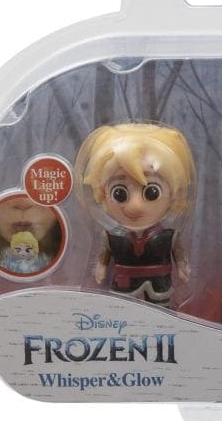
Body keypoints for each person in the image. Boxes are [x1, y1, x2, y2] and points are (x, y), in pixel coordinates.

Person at [75, 123, 195, 306]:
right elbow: (105, 253)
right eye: (119, 193)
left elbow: (178, 252)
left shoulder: (169, 236)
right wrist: (101, 267)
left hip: (159, 284)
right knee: (124, 312)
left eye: (151, 192)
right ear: (102, 192)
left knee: (161, 311)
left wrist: (182, 266)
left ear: (174, 193)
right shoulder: (113, 236)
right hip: (125, 284)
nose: (135, 206)